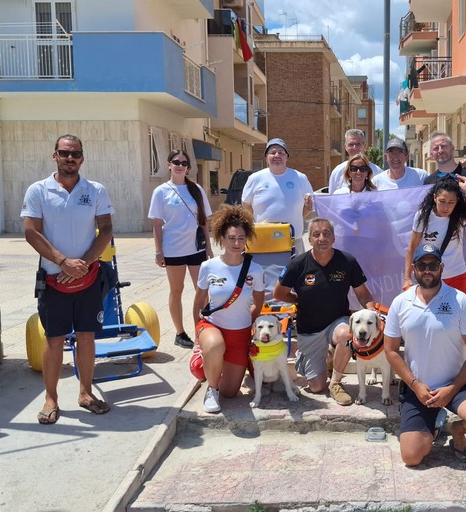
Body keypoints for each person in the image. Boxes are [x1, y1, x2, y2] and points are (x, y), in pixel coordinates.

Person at [21, 134, 115, 424]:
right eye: (64, 153)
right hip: (53, 279)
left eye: (75, 154)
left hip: (88, 278)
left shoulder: (95, 190)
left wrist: (83, 263)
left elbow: (106, 228)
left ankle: (85, 393)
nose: (70, 158)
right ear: (55, 156)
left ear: (82, 158)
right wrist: (62, 262)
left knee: (87, 338)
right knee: (54, 340)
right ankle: (51, 397)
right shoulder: (38, 191)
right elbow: (31, 232)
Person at [385, 244, 466, 467]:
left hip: (456, 385)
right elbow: (390, 351)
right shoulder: (400, 303)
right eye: (422, 265)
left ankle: (457, 430)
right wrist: (415, 385)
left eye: (433, 265)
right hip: (419, 388)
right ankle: (432, 424)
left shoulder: (460, 301)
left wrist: (453, 388)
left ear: (442, 268)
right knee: (412, 457)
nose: (428, 270)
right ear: (414, 268)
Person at [273, 217, 376, 406]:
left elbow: (363, 294)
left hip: (338, 322)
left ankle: (336, 382)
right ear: (309, 239)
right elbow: (279, 293)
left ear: (334, 238)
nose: (322, 238)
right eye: (316, 234)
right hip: (309, 329)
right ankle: (324, 356)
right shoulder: (297, 264)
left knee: (346, 333)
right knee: (316, 387)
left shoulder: (347, 261)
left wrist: (372, 312)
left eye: (326, 233)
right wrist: (298, 300)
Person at [194, 205, 265, 413]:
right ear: (222, 239)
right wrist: (197, 336)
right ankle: (211, 386)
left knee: (230, 392)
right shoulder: (209, 267)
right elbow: (199, 301)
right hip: (212, 326)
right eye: (231, 238)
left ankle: (215, 368)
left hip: (240, 333)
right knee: (215, 345)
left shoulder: (256, 269)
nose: (236, 243)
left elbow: (258, 303)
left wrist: (246, 324)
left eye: (241, 238)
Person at [149, 150, 213, 349]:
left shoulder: (196, 190)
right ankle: (180, 332)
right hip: (173, 249)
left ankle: (206, 327)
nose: (180, 165)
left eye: (184, 163)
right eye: (176, 162)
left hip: (196, 247)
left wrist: (209, 248)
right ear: (169, 164)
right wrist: (158, 251)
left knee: (201, 289)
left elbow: (204, 220)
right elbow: (157, 224)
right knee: (176, 290)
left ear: (188, 167)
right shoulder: (161, 191)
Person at [403, 176, 466, 293]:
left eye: (451, 202)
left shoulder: (459, 215)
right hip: (430, 276)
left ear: (456, 201)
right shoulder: (423, 216)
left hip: (457, 274)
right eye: (442, 201)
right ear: (435, 198)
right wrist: (407, 278)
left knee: (456, 311)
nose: (446, 207)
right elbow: (412, 247)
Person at [242, 138, 314, 254]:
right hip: (263, 239)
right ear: (266, 158)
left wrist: (296, 218)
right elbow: (246, 205)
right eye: (272, 152)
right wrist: (258, 222)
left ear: (287, 157)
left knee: (296, 272)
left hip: (293, 240)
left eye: (281, 152)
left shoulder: (300, 178)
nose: (277, 155)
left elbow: (310, 205)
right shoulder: (255, 178)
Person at [327, 129, 383, 193]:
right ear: (345, 147)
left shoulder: (377, 172)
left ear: (364, 146)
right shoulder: (337, 172)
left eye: (358, 144)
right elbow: (332, 199)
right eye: (351, 144)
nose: (354, 147)